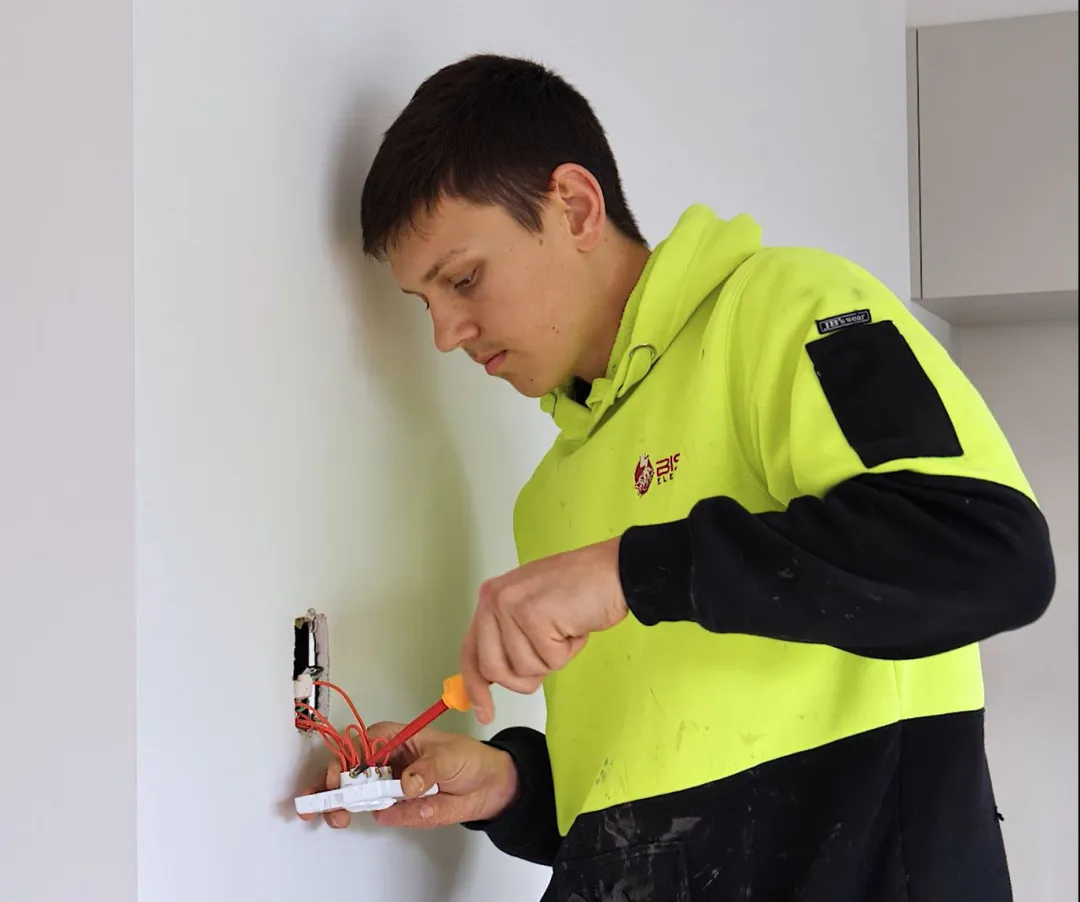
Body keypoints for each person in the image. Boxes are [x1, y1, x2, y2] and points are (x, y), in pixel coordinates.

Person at [298, 54, 1055, 902]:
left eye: (464, 278)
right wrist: (507, 786)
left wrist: (629, 570)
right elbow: (654, 808)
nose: (445, 334)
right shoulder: (549, 497)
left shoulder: (788, 308)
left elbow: (986, 552)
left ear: (576, 207)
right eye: (422, 302)